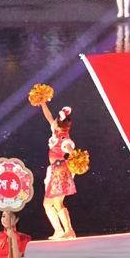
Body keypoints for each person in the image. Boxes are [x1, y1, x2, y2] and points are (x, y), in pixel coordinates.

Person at [37, 102, 77, 239]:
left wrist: (75, 162)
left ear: (60, 126)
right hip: (54, 171)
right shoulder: (56, 132)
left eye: (56, 121)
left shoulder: (65, 139)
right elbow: (48, 116)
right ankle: (59, 230)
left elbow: (73, 153)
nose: (53, 121)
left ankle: (69, 230)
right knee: (47, 204)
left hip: (61, 172)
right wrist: (43, 103)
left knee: (57, 202)